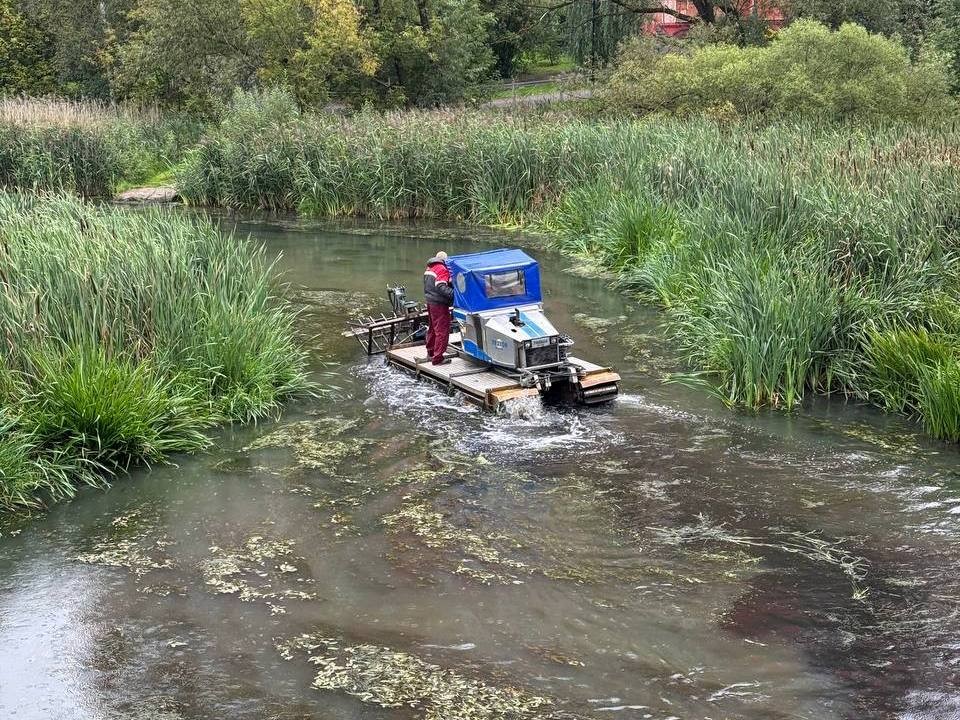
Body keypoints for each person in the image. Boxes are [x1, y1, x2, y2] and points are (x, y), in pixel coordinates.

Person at [423, 251, 454, 365]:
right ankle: (438, 358)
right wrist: (454, 294)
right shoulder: (442, 269)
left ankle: (431, 353)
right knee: (442, 330)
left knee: (432, 328)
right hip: (439, 304)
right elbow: (440, 286)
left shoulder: (429, 268)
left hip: (430, 301)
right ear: (445, 260)